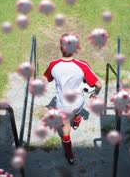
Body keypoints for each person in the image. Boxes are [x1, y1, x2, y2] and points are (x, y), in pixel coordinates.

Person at [43, 33, 102, 164]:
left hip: (62, 105)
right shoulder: (83, 65)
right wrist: (95, 94)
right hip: (78, 102)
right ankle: (77, 120)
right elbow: (98, 84)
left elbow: (47, 79)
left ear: (60, 47)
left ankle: (69, 154)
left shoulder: (53, 65)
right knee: (76, 112)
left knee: (65, 128)